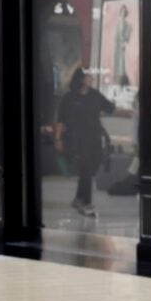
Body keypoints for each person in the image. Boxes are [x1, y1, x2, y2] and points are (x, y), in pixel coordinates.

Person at [55, 67, 114, 217]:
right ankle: (86, 203)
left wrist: (132, 112)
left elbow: (110, 108)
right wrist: (58, 138)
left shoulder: (95, 95)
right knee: (86, 168)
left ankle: (78, 199)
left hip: (94, 139)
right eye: (89, 76)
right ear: (81, 79)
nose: (92, 78)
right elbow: (60, 120)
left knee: (90, 169)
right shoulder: (69, 98)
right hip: (75, 140)